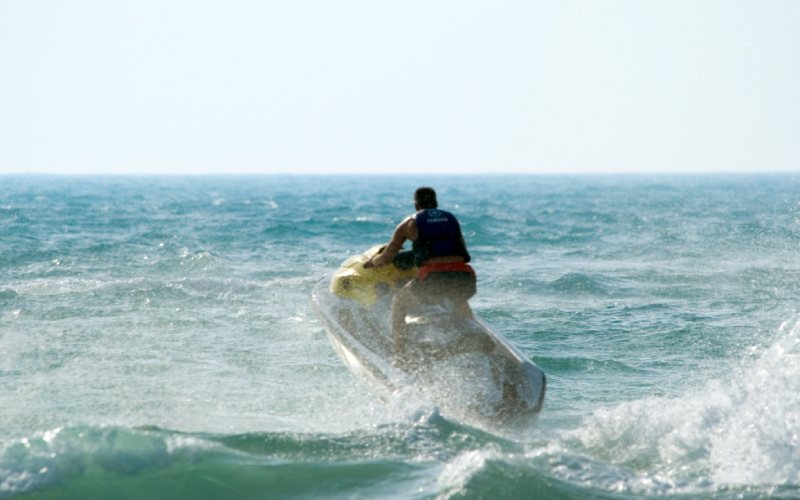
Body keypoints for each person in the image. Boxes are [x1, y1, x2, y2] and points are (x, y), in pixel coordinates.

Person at [364, 187, 476, 368]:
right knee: (459, 300)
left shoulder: (410, 223)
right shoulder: (451, 218)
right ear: (436, 203)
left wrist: (371, 263)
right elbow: (457, 248)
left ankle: (400, 357)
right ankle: (476, 335)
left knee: (399, 302)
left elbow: (387, 257)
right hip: (465, 278)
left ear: (416, 204)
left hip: (435, 279)